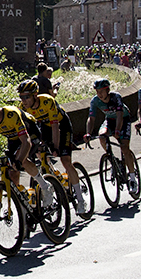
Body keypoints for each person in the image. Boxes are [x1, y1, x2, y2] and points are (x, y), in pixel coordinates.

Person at [16, 79, 87, 214]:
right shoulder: (23, 107)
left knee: (65, 160)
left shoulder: (47, 101)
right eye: (21, 97)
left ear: (35, 95)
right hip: (44, 126)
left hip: (61, 124)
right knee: (40, 153)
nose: (23, 100)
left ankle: (80, 198)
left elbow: (55, 126)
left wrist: (55, 147)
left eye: (26, 97)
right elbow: (26, 130)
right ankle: (53, 176)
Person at [0, 90, 49, 200]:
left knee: (19, 159)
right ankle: (23, 203)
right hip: (13, 138)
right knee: (12, 174)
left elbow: (26, 141)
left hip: (31, 133)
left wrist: (19, 161)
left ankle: (45, 186)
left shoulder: (11, 114)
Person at [85, 78, 137, 174]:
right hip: (109, 120)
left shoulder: (116, 97)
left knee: (125, 148)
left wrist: (117, 130)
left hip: (123, 120)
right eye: (97, 92)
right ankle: (113, 160)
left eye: (101, 91)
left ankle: (132, 176)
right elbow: (91, 118)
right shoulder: (95, 101)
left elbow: (120, 115)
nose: (99, 94)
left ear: (108, 90)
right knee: (102, 136)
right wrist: (88, 133)